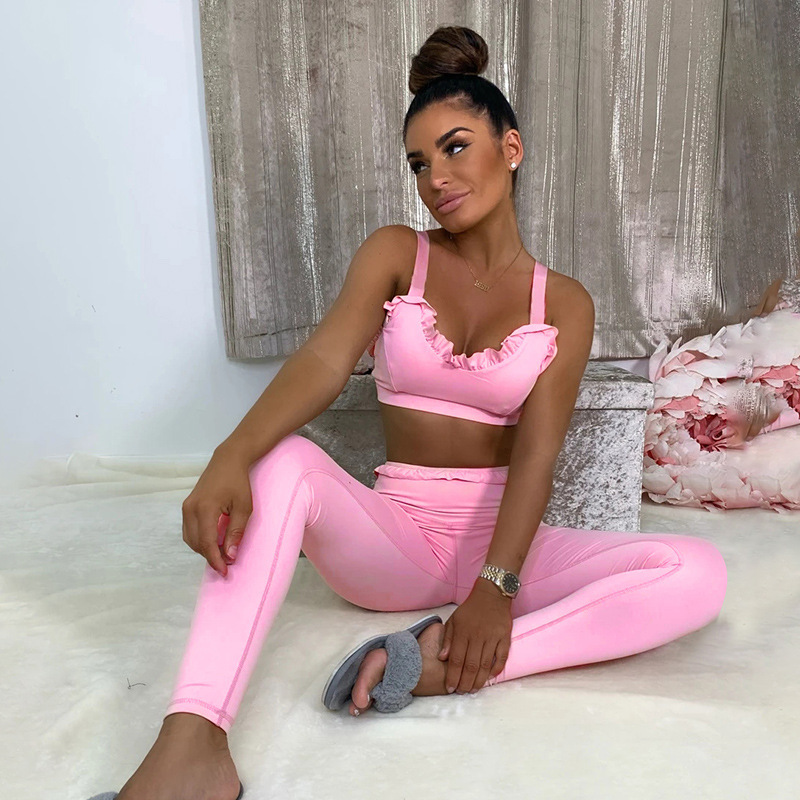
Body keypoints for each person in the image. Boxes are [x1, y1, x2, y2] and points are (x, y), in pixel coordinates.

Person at [102, 25, 727, 800]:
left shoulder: (564, 302)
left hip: (504, 545)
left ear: (511, 148)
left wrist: (495, 590)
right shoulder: (398, 253)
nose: (436, 177)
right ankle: (194, 742)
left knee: (697, 572)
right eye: (419, 163)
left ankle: (433, 663)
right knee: (283, 459)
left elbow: (538, 454)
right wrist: (231, 454)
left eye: (456, 148)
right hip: (394, 541)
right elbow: (324, 362)